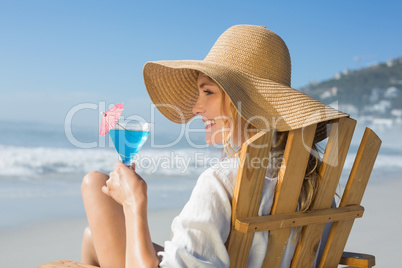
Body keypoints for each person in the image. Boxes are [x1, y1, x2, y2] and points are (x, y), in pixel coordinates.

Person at [80, 25, 347, 268]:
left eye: (207, 92)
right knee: (93, 234)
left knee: (94, 188)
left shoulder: (221, 182)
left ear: (245, 101)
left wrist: (133, 202)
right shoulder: (317, 185)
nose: (196, 108)